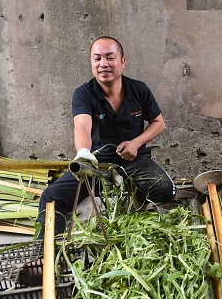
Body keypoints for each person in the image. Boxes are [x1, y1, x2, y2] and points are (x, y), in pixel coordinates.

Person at [37, 36, 176, 237]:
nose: (103, 64)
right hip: (97, 164)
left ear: (122, 61)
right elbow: (82, 127)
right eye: (97, 59)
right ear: (92, 63)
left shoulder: (139, 89)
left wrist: (136, 143)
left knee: (165, 191)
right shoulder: (83, 94)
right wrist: (84, 154)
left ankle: (129, 191)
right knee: (51, 197)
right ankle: (47, 254)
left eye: (110, 58)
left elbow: (158, 123)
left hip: (134, 160)